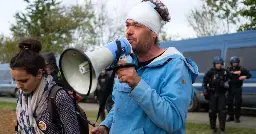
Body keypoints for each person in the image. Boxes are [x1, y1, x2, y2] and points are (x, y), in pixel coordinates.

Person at [91, 0, 198, 134]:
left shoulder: (175, 66)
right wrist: (106, 126)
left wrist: (137, 83)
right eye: (127, 25)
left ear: (153, 33)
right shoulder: (128, 61)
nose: (129, 31)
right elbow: (120, 105)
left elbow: (174, 122)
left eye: (137, 25)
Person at [10, 38, 80, 134]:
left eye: (24, 80)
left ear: (39, 74)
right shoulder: (22, 96)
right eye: (15, 80)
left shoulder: (59, 97)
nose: (18, 86)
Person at [203, 56, 229, 134]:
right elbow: (204, 82)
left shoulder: (225, 72)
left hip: (222, 94)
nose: (219, 65)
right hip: (213, 94)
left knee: (222, 112)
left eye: (220, 63)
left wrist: (226, 84)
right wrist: (204, 90)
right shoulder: (210, 71)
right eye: (217, 63)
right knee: (212, 112)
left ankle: (222, 130)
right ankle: (213, 128)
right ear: (214, 64)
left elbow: (231, 80)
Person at [226, 56, 251, 123]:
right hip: (230, 88)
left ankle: (237, 117)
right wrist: (234, 72)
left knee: (238, 103)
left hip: (237, 88)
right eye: (233, 62)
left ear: (238, 63)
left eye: (236, 62)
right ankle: (230, 116)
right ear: (231, 63)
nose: (235, 64)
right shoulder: (229, 68)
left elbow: (249, 75)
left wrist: (244, 76)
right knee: (229, 102)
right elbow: (226, 73)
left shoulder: (241, 68)